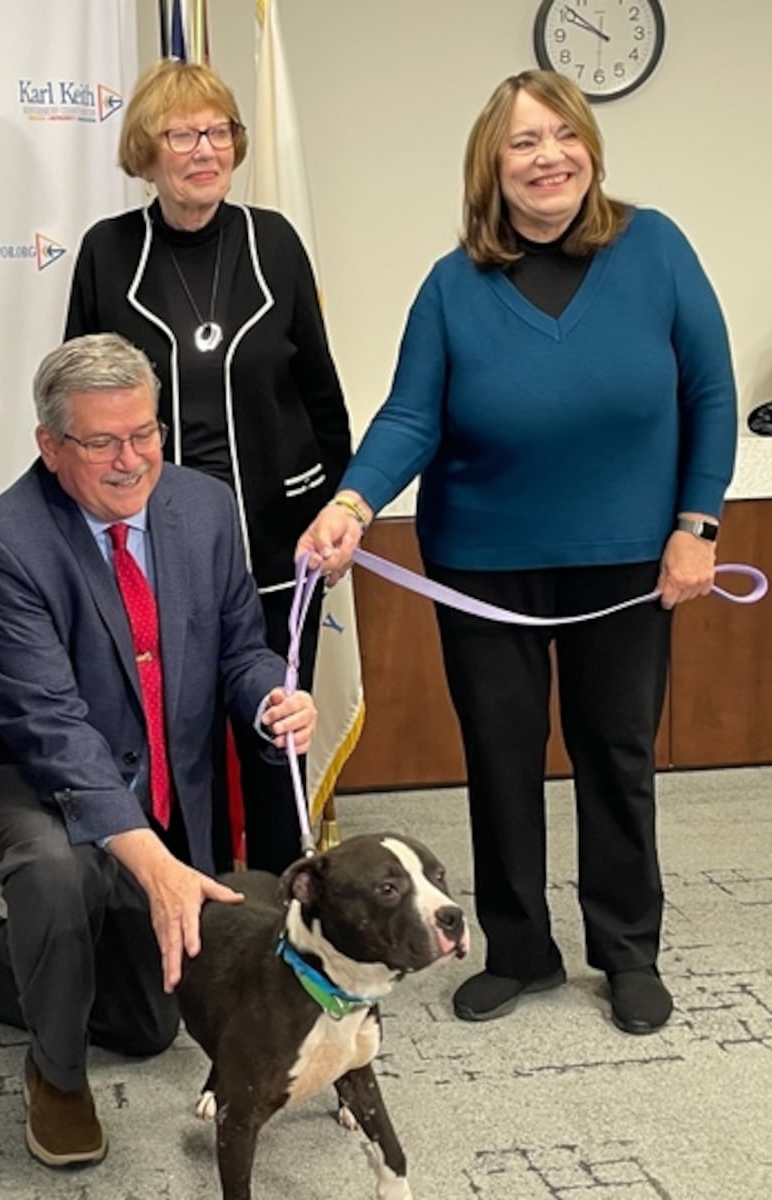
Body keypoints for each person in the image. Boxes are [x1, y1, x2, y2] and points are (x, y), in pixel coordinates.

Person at [298, 70, 737, 1037]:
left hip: (627, 563)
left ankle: (626, 950)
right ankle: (520, 951)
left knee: (615, 754)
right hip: (485, 563)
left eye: (563, 136)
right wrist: (354, 501)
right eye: (523, 144)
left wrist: (695, 526)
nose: (549, 158)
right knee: (501, 758)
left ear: (589, 147)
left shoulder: (654, 247)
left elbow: (711, 392)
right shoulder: (455, 286)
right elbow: (411, 414)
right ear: (491, 168)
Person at [0, 333, 317, 1168]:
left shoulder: (206, 507)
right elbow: (54, 732)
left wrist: (269, 698)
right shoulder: (1, 543)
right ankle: (56, 1076)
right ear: (49, 445)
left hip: (147, 775)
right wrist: (153, 864)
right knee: (55, 868)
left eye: (144, 433)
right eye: (102, 441)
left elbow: (238, 649)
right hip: (17, 767)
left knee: (150, 1023)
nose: (129, 460)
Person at [65, 59, 350, 874]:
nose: (203, 149)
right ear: (146, 150)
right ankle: (186, 915)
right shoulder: (107, 253)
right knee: (170, 741)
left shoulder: (275, 241)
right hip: (149, 549)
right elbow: (73, 407)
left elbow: (320, 395)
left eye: (218, 131)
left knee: (273, 742)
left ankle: (283, 917)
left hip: (277, 544)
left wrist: (345, 511)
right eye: (181, 133)